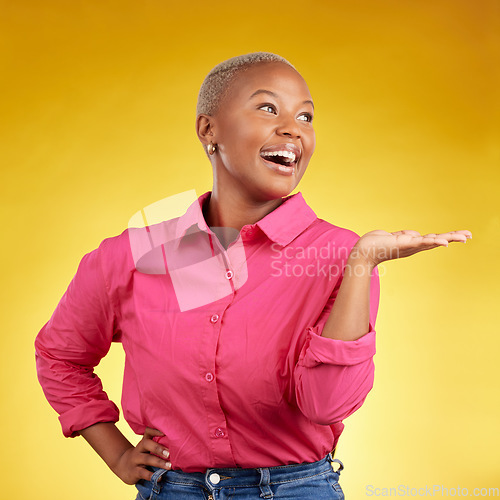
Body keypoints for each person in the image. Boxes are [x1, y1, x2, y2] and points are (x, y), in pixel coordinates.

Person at [35, 52, 471, 499]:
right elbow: (60, 355)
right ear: (209, 130)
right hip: (171, 491)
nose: (293, 128)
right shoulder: (134, 254)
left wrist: (362, 264)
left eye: (306, 116)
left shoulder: (341, 254)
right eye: (268, 108)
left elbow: (327, 405)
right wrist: (116, 454)